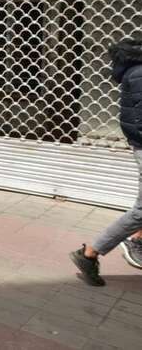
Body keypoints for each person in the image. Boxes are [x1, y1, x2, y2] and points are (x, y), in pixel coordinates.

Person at [71, 38, 142, 283]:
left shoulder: (134, 73)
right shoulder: (139, 75)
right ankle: (90, 254)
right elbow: (136, 122)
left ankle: (137, 239)